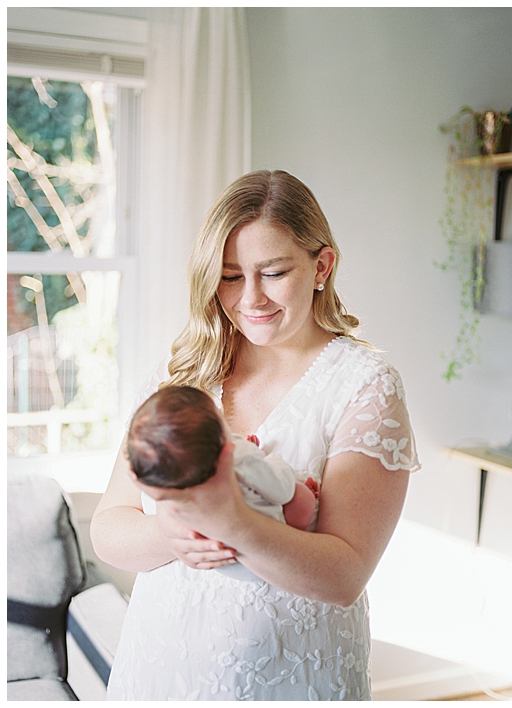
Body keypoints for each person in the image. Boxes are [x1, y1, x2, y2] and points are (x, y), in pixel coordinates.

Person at [91, 170, 419, 700]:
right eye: (230, 276)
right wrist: (170, 536)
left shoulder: (365, 386)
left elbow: (343, 575)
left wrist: (232, 524)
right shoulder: (184, 374)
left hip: (287, 678)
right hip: (162, 666)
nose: (252, 298)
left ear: (322, 266)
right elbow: (108, 528)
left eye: (273, 272)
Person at [126, 386, 319, 541]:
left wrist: (239, 443)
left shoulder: (176, 481)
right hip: (259, 546)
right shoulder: (240, 458)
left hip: (218, 556)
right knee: (300, 498)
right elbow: (281, 489)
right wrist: (268, 460)